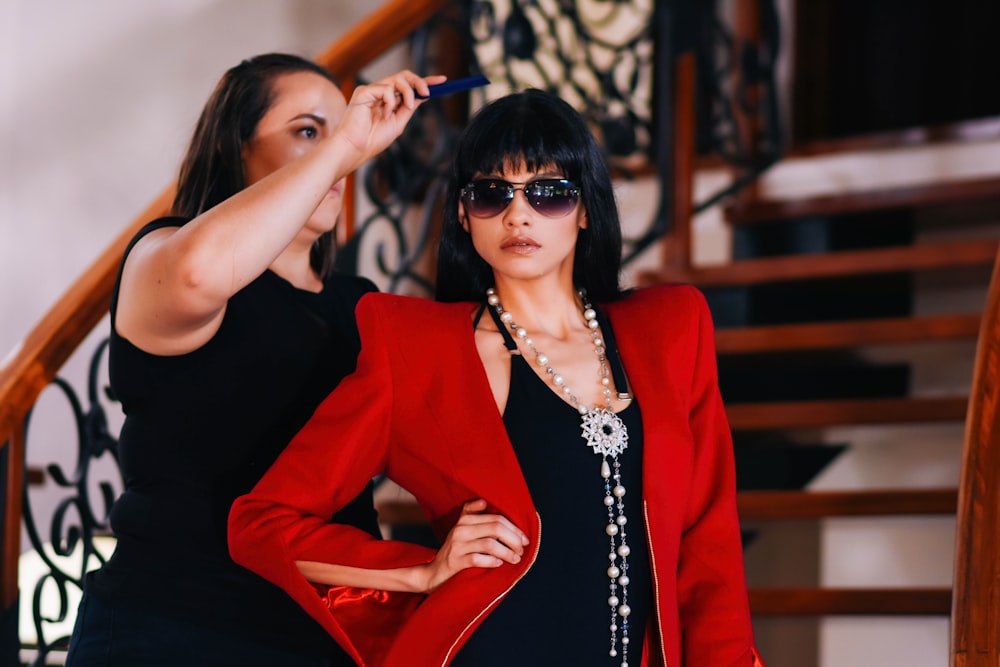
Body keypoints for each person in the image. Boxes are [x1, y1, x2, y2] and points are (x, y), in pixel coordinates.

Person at [229, 89, 765, 667]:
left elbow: (708, 547)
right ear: (464, 214)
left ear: (586, 208)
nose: (518, 214)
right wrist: (418, 570)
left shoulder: (671, 330)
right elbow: (261, 523)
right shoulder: (415, 351)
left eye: (549, 192)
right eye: (490, 193)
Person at [64, 54, 455, 667]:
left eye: (341, 129)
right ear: (235, 150)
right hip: (171, 628)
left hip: (321, 634)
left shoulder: (363, 306)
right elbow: (200, 272)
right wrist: (348, 139)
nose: (341, 153)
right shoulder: (162, 254)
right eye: (308, 131)